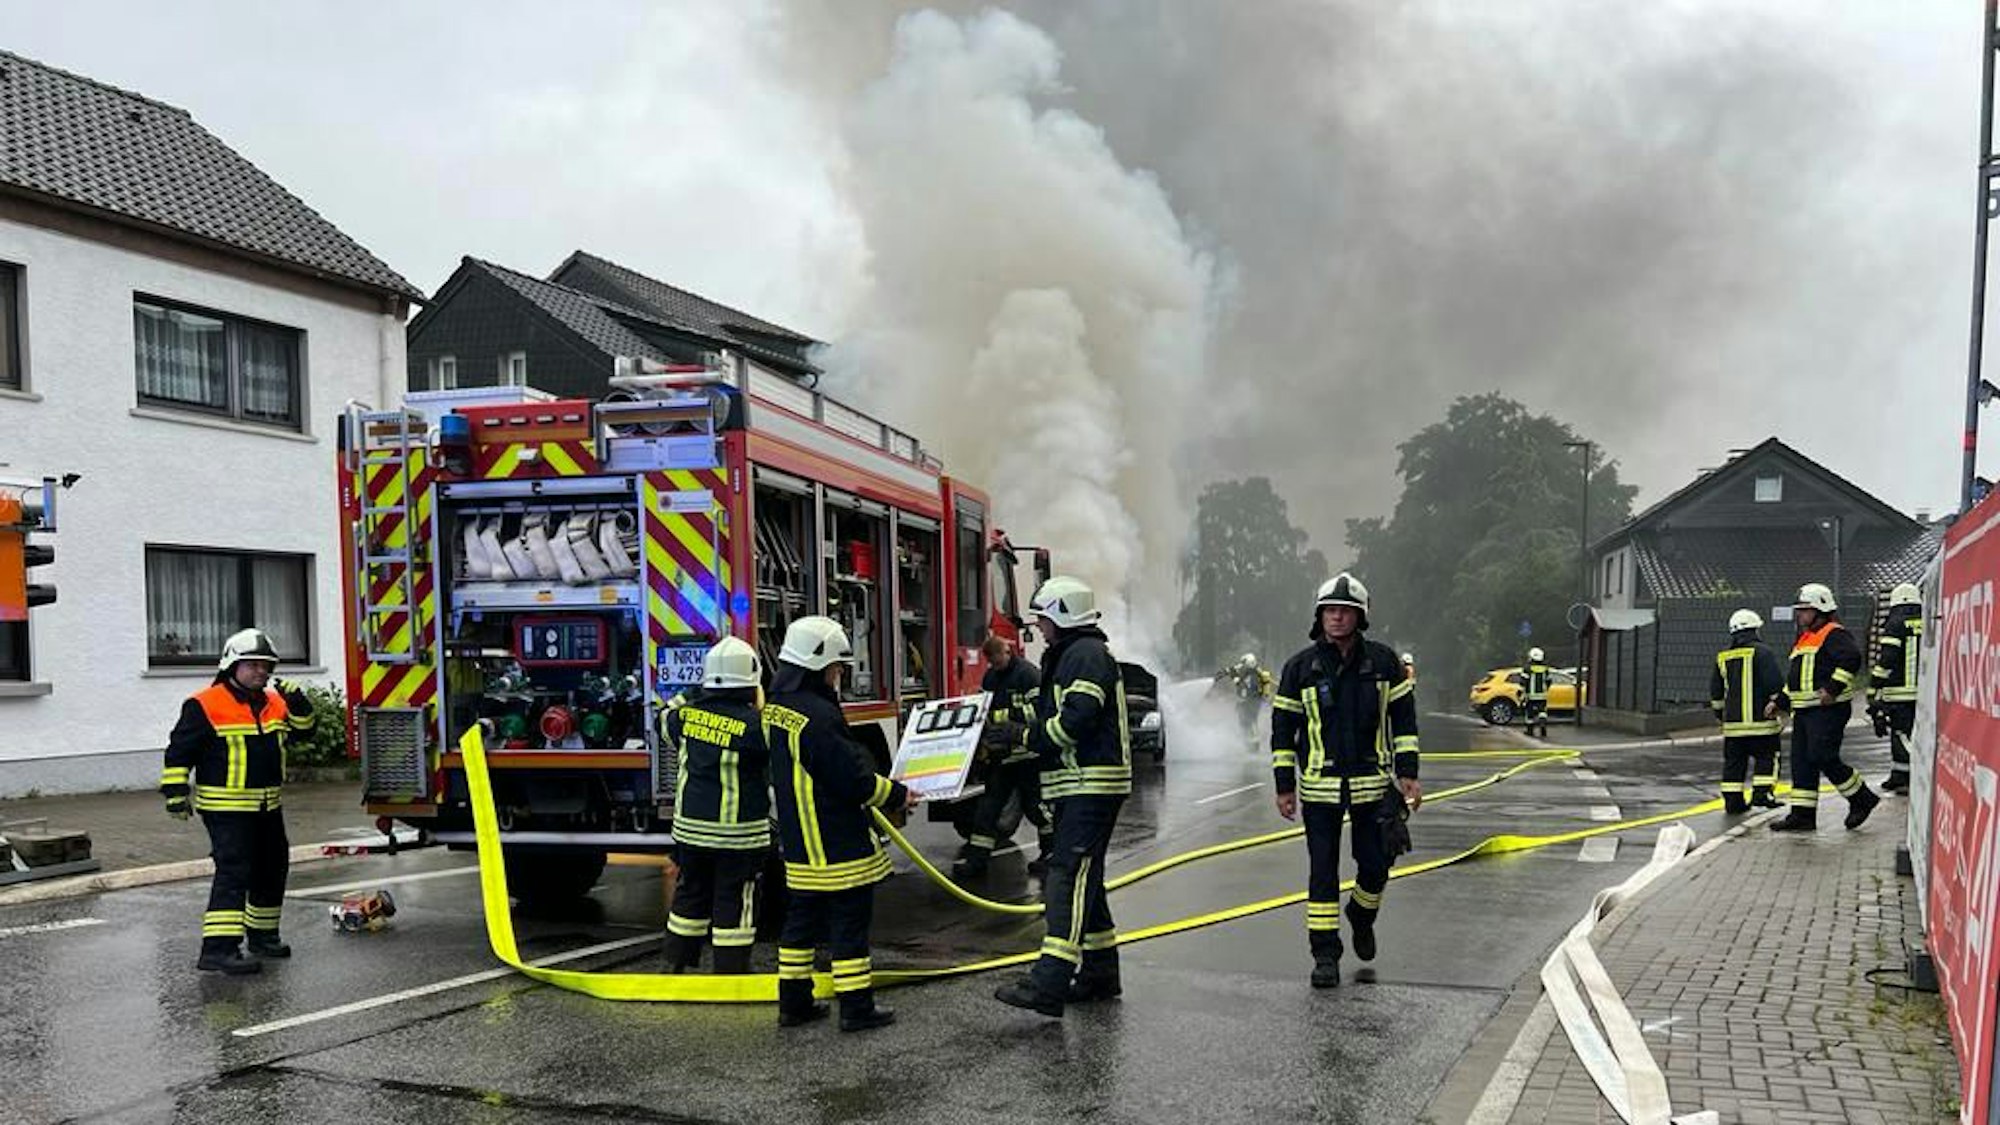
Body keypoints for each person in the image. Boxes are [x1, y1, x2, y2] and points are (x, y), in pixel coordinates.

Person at [1269, 573, 1421, 989]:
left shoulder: (1385, 664)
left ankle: (1362, 914)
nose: (1336, 618)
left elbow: (1404, 722)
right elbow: (1283, 730)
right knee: (1322, 873)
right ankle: (1325, 955)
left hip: (1372, 786)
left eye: (1345, 611)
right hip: (1319, 789)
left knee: (1376, 865)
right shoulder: (1299, 668)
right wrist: (1284, 785)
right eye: (1329, 611)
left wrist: (1408, 774)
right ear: (1320, 616)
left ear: (1360, 616)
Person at [766, 616, 917, 1031]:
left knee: (799, 925)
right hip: (836, 840)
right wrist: (899, 794)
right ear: (819, 665)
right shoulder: (819, 716)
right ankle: (856, 1007)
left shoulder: (777, 710)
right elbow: (851, 778)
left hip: (799, 842)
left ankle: (793, 1004)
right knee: (849, 926)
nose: (839, 674)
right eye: (837, 666)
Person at [994, 576, 1132, 1018]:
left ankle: (1049, 982)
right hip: (1080, 783)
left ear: (1061, 615)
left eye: (1043, 616)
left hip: (1091, 784)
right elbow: (1054, 716)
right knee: (1085, 880)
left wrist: (1024, 736)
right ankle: (1099, 973)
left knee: (1067, 877)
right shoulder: (1070, 655)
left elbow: (1076, 720)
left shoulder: (1086, 656)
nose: (1038, 625)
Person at [160, 629, 315, 975]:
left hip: (267, 807)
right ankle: (218, 950)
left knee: (272, 869)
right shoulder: (204, 703)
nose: (261, 671)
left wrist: (300, 705)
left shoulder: (274, 701)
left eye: (266, 665)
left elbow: (304, 733)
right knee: (234, 873)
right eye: (253, 665)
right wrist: (174, 792)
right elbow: (179, 752)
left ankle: (263, 937)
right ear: (233, 665)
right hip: (226, 809)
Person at [661, 637, 771, 974]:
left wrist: (695, 692)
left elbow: (663, 716)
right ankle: (730, 970)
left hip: (690, 831)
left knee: (689, 893)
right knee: (735, 899)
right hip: (738, 836)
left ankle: (676, 964)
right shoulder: (757, 727)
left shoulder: (682, 718)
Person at [1770, 583, 1881, 833]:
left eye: (1804, 610)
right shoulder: (1805, 639)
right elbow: (1796, 680)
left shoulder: (1834, 633)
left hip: (1828, 711)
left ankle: (1862, 798)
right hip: (1806, 711)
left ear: (1820, 609)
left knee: (1822, 756)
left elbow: (1851, 659)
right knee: (1802, 762)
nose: (1799, 615)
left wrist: (1832, 689)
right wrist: (1779, 702)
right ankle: (1802, 816)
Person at [954, 633, 1051, 879]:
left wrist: (1001, 719)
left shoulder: (1029, 674)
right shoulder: (991, 676)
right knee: (987, 810)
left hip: (1027, 755)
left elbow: (1040, 711)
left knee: (1036, 808)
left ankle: (1051, 856)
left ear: (1007, 652)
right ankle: (976, 862)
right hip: (1001, 758)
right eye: (991, 663)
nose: (994, 666)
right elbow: (983, 707)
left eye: (997, 661)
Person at [1709, 610, 1786, 813]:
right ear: (1755, 630)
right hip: (1763, 724)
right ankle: (1761, 795)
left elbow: (1716, 692)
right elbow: (1774, 684)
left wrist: (1719, 715)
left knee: (1734, 764)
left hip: (1734, 727)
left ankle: (1733, 803)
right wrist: (1780, 705)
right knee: (1767, 758)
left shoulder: (1722, 657)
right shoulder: (1763, 652)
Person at [1869, 583, 1923, 794]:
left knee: (1901, 734)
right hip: (1925, 692)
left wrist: (1874, 686)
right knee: (1915, 734)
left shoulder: (1895, 623)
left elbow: (1888, 658)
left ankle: (1906, 779)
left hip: (1900, 691)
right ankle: (1898, 774)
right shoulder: (1928, 620)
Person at [1522, 648, 1552, 738]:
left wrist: (1524, 693)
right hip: (1542, 695)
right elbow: (1549, 681)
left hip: (1530, 695)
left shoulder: (1527, 668)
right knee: (1542, 712)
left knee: (1530, 713)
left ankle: (1530, 731)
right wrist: (1545, 689)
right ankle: (1543, 728)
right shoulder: (1545, 669)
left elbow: (1523, 681)